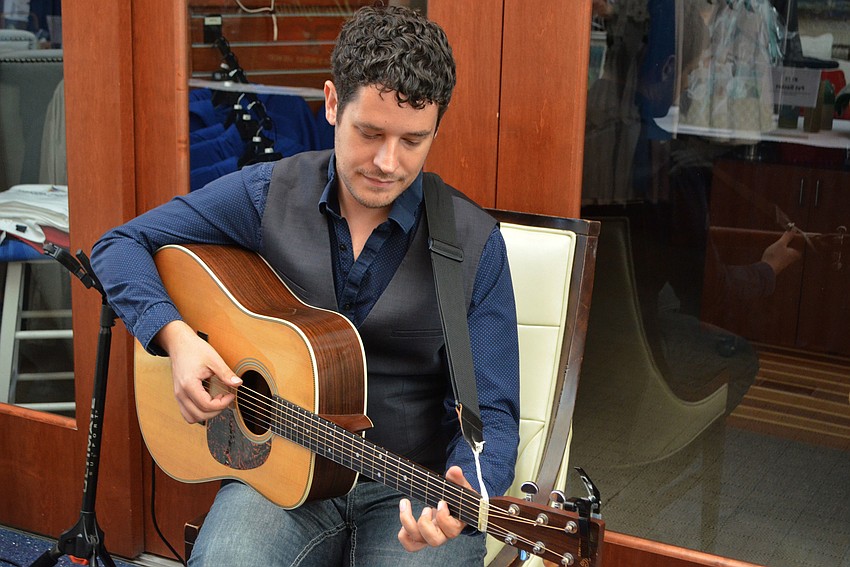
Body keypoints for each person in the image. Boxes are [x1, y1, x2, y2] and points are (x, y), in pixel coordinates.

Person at [90, 5, 520, 566]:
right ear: (332, 103)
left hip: (412, 488)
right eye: (369, 133)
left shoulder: (473, 242)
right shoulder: (268, 192)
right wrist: (177, 339)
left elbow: (495, 412)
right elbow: (118, 246)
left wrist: (465, 500)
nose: (388, 162)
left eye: (413, 141)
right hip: (283, 472)